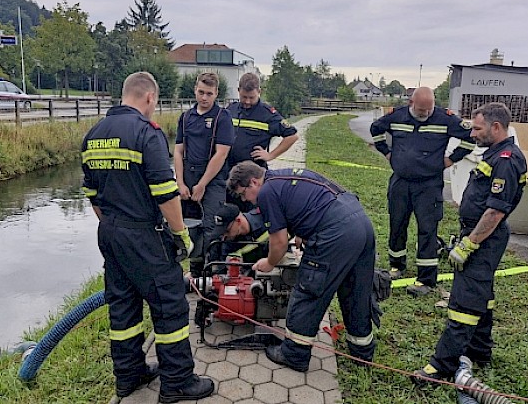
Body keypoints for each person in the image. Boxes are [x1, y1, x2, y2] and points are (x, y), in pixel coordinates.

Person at [81, 72, 214, 403]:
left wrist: (114, 225)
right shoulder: (146, 133)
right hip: (145, 237)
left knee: (123, 308)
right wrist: (181, 235)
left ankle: (128, 377)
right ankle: (177, 382)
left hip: (109, 233)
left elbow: (92, 195)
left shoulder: (93, 135)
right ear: (150, 98)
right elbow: (166, 193)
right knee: (169, 306)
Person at [413, 102, 527, 388]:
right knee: (482, 294)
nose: (473, 134)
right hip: (480, 235)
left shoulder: (506, 160)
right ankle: (479, 350)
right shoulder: (494, 154)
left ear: (496, 127)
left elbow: (495, 212)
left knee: (464, 302)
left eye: (477, 128)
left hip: (484, 238)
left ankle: (442, 366)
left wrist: (469, 245)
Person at [227, 161, 377, 372]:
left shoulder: (266, 192)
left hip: (335, 233)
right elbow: (308, 201)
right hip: (360, 223)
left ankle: (294, 353)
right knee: (355, 290)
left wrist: (269, 263)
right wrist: (302, 231)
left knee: (309, 289)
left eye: (244, 194)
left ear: (253, 182)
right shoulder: (283, 176)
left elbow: (278, 242)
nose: (247, 201)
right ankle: (362, 353)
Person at [370, 86, 476, 296]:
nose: (425, 115)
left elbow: (470, 138)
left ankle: (426, 278)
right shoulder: (397, 116)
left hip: (429, 185)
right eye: (421, 111)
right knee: (397, 223)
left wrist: (450, 160)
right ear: (411, 104)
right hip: (401, 182)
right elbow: (376, 130)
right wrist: (386, 152)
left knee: (427, 229)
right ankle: (396, 265)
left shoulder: (445, 118)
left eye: (429, 110)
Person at [175, 72, 235, 277]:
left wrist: (202, 184)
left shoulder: (222, 118)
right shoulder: (185, 118)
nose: (204, 97)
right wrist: (180, 182)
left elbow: (222, 153)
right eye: (201, 92)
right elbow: (178, 151)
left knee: (212, 227)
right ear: (195, 90)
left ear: (216, 93)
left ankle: (214, 273)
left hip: (213, 180)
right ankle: (195, 272)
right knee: (190, 226)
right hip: (188, 178)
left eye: (209, 93)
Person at [227, 72, 299, 170]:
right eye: (244, 97)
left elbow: (292, 136)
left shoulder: (268, 114)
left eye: (251, 98)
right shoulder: (231, 109)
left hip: (253, 173)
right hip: (228, 170)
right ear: (238, 91)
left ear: (259, 92)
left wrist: (271, 155)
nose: (247, 101)